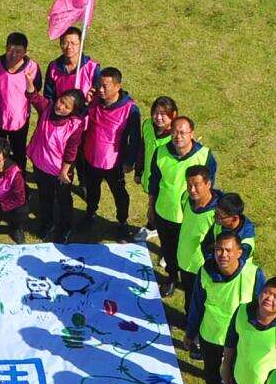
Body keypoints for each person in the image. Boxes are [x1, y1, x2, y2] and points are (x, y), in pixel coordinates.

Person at [190, 232, 261, 384]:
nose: (223, 255)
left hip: (240, 338)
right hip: (211, 333)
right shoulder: (205, 271)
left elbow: (261, 308)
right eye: (219, 250)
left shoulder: (254, 274)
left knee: (240, 376)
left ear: (239, 252)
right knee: (211, 371)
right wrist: (190, 333)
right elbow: (197, 304)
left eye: (228, 250)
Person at [146, 114, 214, 294]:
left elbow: (210, 187)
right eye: (175, 132)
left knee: (187, 252)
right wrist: (151, 207)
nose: (178, 137)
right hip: (164, 212)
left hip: (190, 217)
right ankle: (171, 278)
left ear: (192, 133)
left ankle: (189, 281)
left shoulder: (205, 155)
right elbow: (154, 182)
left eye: (183, 133)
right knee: (168, 249)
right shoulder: (161, 152)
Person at [78, 66, 139, 238]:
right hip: (91, 157)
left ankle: (122, 222)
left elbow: (135, 138)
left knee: (119, 194)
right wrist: (85, 104)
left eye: (105, 86)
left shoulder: (130, 109)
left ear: (118, 86)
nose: (101, 89)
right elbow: (78, 119)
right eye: (99, 85)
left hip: (114, 162)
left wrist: (130, 162)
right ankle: (90, 213)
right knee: (92, 189)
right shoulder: (94, 100)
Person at [25, 86, 85, 242]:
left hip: (60, 171)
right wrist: (30, 83)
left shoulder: (75, 124)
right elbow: (34, 97)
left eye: (67, 107)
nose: (61, 107)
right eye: (61, 101)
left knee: (64, 199)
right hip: (40, 165)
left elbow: (71, 149)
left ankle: (66, 227)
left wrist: (65, 171)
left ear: (73, 111)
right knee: (45, 196)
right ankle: (47, 223)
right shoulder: (47, 108)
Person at [0, 33, 38, 156]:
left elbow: (36, 91)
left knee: (19, 154)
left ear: (25, 51)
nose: (13, 55)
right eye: (10, 50)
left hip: (20, 121)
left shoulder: (33, 68)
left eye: (18, 52)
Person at [134, 95, 177, 245]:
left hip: (167, 184)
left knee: (165, 213)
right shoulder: (147, 125)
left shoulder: (176, 137)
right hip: (150, 177)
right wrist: (138, 171)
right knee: (152, 205)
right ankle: (152, 226)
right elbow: (143, 148)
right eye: (156, 113)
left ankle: (166, 241)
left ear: (173, 115)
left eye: (163, 114)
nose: (158, 118)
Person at [172, 165, 221, 291]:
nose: (192, 190)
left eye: (197, 185)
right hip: (183, 260)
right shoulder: (185, 198)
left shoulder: (218, 215)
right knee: (188, 296)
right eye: (189, 185)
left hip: (201, 268)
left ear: (208, 184)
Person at [42, 29, 98, 104]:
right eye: (65, 43)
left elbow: (98, 94)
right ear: (60, 44)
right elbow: (49, 96)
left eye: (73, 43)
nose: (69, 47)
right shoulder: (54, 67)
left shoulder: (92, 67)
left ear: (81, 45)